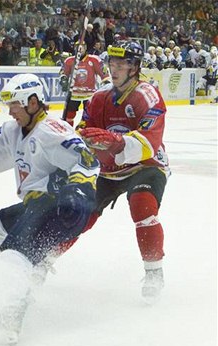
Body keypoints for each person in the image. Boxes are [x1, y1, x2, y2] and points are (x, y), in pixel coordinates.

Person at [0, 73, 100, 343]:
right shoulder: (14, 131)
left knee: (15, 252)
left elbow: (87, 161)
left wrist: (77, 190)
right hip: (36, 204)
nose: (11, 112)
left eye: (15, 105)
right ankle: (20, 283)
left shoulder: (51, 131)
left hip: (63, 208)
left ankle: (10, 316)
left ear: (33, 103)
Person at [77, 40, 170, 304]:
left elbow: (148, 143)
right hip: (108, 169)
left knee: (142, 206)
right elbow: (83, 130)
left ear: (135, 67)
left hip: (145, 165)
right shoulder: (99, 97)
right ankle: (44, 261)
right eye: (111, 64)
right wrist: (79, 136)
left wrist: (115, 142)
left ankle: (154, 274)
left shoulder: (147, 95)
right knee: (78, 213)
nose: (114, 69)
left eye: (121, 65)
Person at [60, 41, 111, 126]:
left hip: (89, 94)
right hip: (74, 93)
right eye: (77, 46)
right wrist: (64, 80)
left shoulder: (94, 59)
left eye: (82, 46)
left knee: (89, 117)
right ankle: (69, 132)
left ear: (86, 47)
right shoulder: (69, 60)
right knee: (69, 116)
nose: (80, 49)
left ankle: (85, 131)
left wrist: (106, 82)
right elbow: (63, 73)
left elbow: (104, 73)